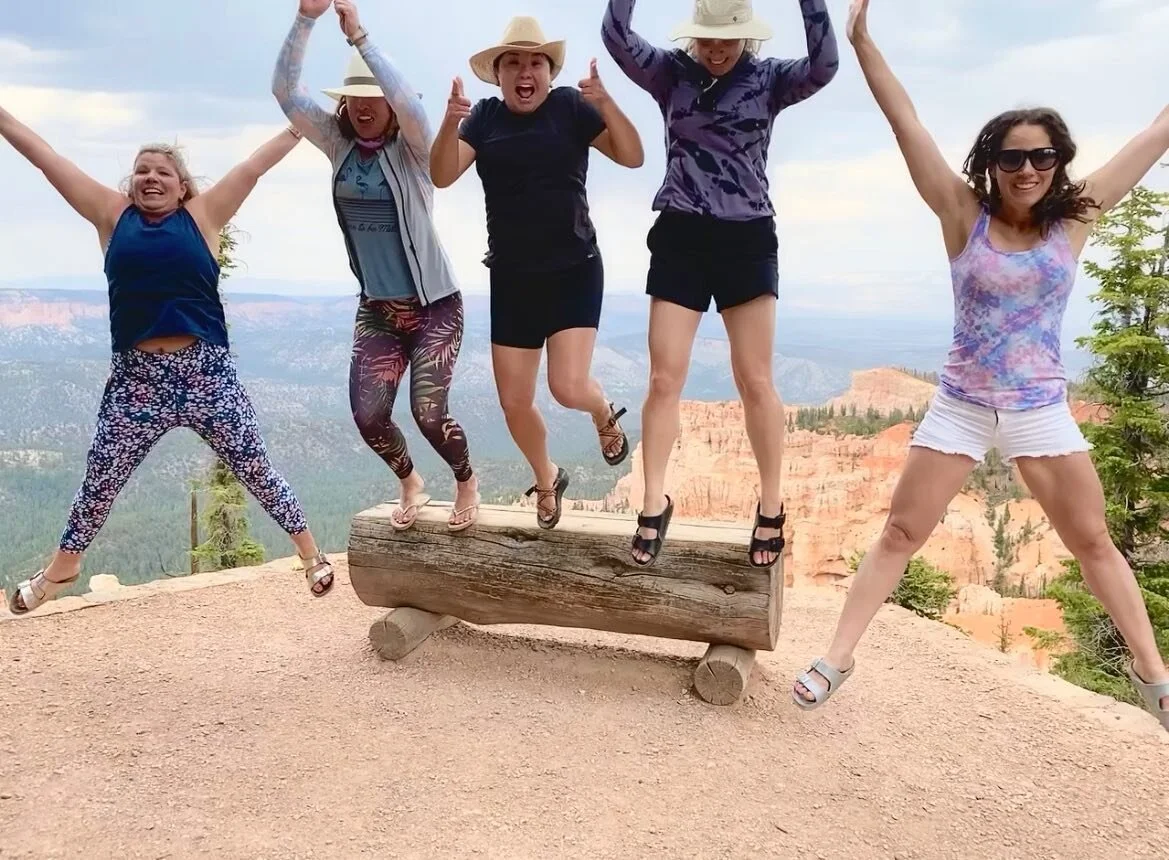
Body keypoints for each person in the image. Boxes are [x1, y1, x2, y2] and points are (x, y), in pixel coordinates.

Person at [790, 0, 1169, 734]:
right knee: (901, 533)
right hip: (962, 401)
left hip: (1038, 406)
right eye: (1010, 157)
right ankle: (836, 657)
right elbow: (909, 127)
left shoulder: (1075, 217)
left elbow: (1155, 133)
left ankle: (1152, 677)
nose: (1026, 169)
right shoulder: (963, 216)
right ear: (989, 165)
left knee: (1092, 542)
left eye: (1040, 157)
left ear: (1057, 163)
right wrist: (863, 42)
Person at [0, 112, 337, 613]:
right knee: (101, 477)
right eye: (142, 171)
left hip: (205, 370)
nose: (151, 178)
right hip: (138, 380)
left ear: (182, 187)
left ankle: (310, 555)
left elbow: (251, 168)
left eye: (162, 172)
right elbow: (49, 160)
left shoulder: (202, 218)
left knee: (255, 464)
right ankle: (62, 569)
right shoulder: (112, 216)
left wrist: (298, 128)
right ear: (131, 183)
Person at [601, 0, 839, 567]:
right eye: (707, 39)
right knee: (664, 377)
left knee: (755, 378)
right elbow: (615, 34)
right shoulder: (670, 73)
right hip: (682, 235)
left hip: (746, 238)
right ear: (694, 37)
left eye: (726, 40)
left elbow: (825, 64)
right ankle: (653, 502)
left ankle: (771, 505)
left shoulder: (770, 78)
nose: (715, 50)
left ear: (746, 37)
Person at [272, 0, 480, 532]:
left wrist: (359, 37)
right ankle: (410, 481)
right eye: (356, 98)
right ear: (344, 106)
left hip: (434, 305)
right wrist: (306, 19)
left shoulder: (414, 149)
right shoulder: (338, 144)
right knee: (369, 416)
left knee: (429, 413)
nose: (366, 107)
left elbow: (412, 105)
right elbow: (285, 93)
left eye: (375, 97)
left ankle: (466, 482)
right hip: (379, 309)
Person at [430, 16, 643, 529]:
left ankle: (601, 413)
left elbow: (633, 157)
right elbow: (441, 174)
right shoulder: (482, 119)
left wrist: (607, 103)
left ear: (549, 71)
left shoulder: (572, 107)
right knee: (514, 402)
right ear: (498, 74)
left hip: (574, 268)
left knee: (568, 386)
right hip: (513, 278)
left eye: (535, 62)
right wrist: (447, 122)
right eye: (514, 63)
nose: (525, 72)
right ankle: (547, 477)